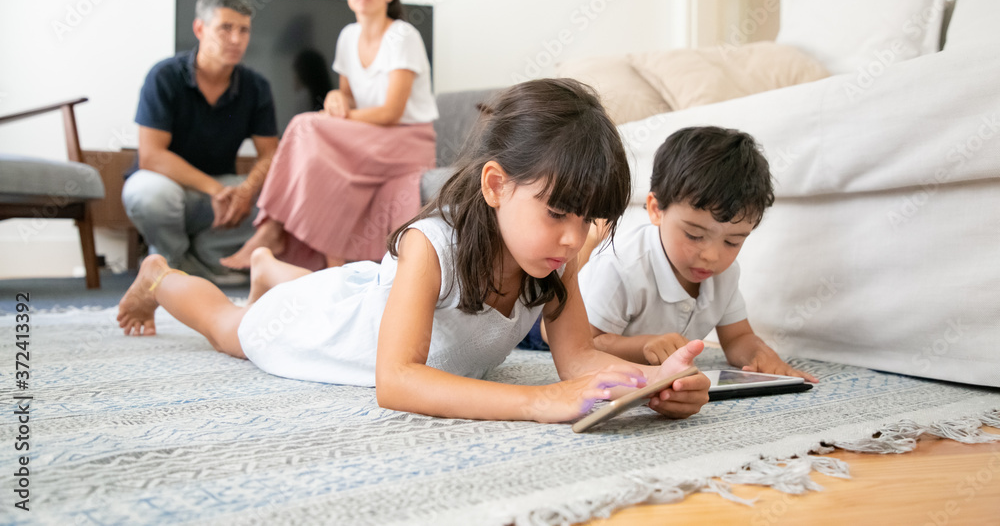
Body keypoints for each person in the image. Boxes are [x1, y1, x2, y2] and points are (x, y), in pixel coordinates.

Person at [117, 79, 712, 423]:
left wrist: (649, 384)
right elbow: (396, 381)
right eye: (558, 212)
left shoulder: (557, 258)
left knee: (319, 287)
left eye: (588, 220)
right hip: (331, 330)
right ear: (496, 185)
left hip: (362, 295)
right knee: (230, 327)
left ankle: (272, 269)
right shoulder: (432, 245)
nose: (573, 237)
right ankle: (159, 277)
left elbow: (578, 358)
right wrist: (535, 402)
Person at [220, 0, 438, 272]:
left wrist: (341, 116)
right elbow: (348, 96)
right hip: (367, 135)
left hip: (406, 139)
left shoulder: (402, 35)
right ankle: (326, 261)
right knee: (315, 151)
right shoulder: (348, 36)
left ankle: (272, 230)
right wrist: (337, 98)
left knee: (305, 126)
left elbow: (392, 111)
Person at [578, 126, 817, 382]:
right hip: (552, 321)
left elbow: (738, 338)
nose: (712, 256)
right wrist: (643, 346)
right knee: (547, 320)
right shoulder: (623, 266)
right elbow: (585, 344)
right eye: (694, 236)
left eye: (733, 241)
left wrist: (761, 354)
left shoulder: (724, 275)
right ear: (656, 209)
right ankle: (590, 242)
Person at [122, 0, 278, 284]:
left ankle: (203, 256)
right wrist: (215, 189)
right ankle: (173, 262)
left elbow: (270, 153)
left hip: (223, 194)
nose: (236, 39)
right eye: (225, 28)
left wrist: (245, 190)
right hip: (171, 187)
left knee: (283, 202)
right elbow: (151, 155)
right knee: (147, 194)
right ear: (200, 28)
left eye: (243, 30)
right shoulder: (164, 75)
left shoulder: (256, 86)